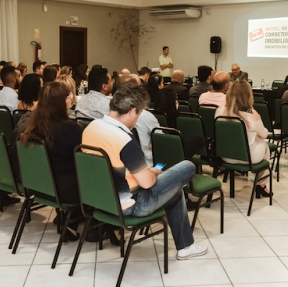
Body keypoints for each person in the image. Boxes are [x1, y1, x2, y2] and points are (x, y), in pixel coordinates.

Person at [81, 85, 207, 260]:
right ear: (132, 111)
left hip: (100, 198)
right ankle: (186, 247)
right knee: (187, 166)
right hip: (131, 205)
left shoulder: (91, 127)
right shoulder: (124, 139)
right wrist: (153, 173)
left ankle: (186, 246)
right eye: (139, 113)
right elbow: (147, 183)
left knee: (174, 190)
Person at [18, 81, 83, 240]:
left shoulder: (32, 126)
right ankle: (73, 224)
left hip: (38, 186)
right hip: (64, 191)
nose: (70, 99)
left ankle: (67, 217)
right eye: (68, 96)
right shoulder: (71, 128)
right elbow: (83, 160)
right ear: (61, 102)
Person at [215, 80, 272, 196]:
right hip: (248, 158)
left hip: (226, 156)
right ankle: (261, 184)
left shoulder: (219, 111)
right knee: (264, 144)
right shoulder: (252, 115)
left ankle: (261, 184)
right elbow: (264, 134)